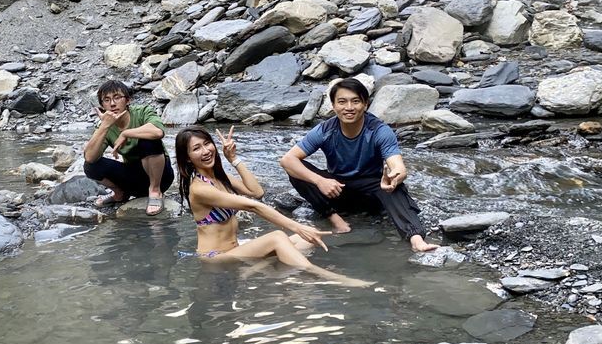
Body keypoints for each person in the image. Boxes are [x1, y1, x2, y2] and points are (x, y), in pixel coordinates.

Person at [175, 126, 358, 283]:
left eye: (207, 144)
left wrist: (234, 159)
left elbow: (256, 192)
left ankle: (259, 266)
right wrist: (297, 226)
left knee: (306, 239)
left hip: (236, 249)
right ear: (188, 158)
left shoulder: (220, 178)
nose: (206, 151)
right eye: (196, 148)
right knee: (278, 237)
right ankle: (325, 276)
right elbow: (254, 206)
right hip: (215, 258)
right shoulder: (199, 189)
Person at [279, 77, 438, 253]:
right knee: (296, 169)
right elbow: (287, 160)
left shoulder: (379, 130)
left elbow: (398, 166)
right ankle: (335, 220)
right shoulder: (325, 130)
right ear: (333, 105)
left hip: (372, 192)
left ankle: (416, 238)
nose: (349, 107)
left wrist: (394, 177)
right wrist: (319, 181)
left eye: (355, 101)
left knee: (394, 186)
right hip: (337, 189)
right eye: (342, 102)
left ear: (365, 105)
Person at [84, 79, 174, 216]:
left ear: (128, 100)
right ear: (102, 105)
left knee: (148, 140)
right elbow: (90, 157)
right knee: (90, 165)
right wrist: (104, 126)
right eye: (106, 100)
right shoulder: (105, 125)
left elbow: (158, 132)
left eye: (117, 97)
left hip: (161, 176)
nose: (112, 104)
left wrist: (126, 133)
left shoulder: (142, 112)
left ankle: (155, 191)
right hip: (133, 179)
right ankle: (120, 194)